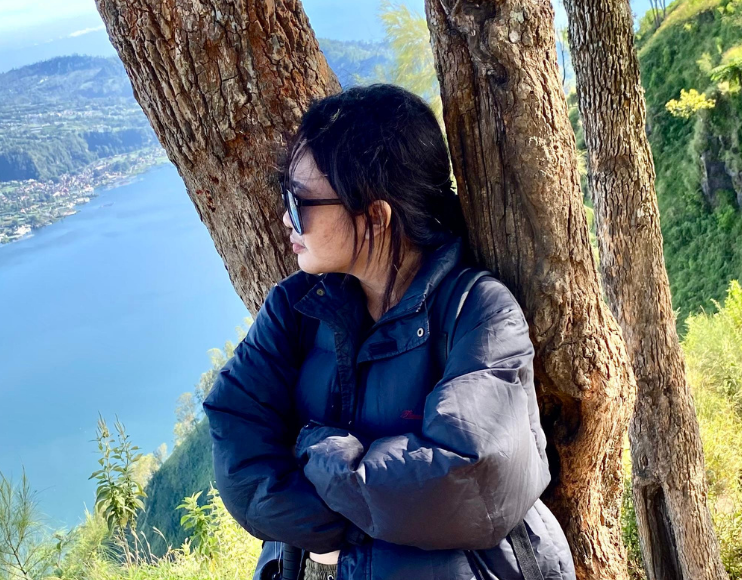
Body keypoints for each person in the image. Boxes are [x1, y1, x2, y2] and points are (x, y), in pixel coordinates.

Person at [202, 84, 575, 580]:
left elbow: (467, 476)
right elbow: (234, 431)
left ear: (376, 216)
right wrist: (337, 526)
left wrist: (314, 449)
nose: (284, 218)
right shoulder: (295, 308)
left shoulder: (479, 312)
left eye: (300, 202)